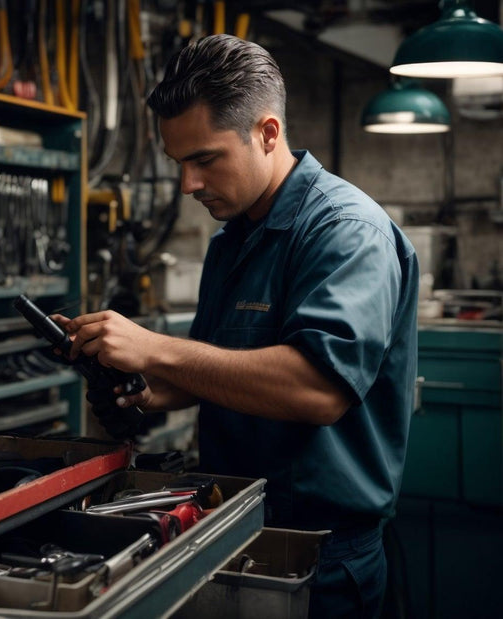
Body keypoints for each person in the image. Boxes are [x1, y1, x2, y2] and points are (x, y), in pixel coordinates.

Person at [54, 34, 418, 618]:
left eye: (204, 160)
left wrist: (156, 350)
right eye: (180, 163)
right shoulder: (232, 242)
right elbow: (218, 371)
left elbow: (317, 389)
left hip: (321, 555)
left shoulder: (346, 232)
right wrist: (138, 383)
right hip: (230, 524)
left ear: (267, 133)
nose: (187, 186)